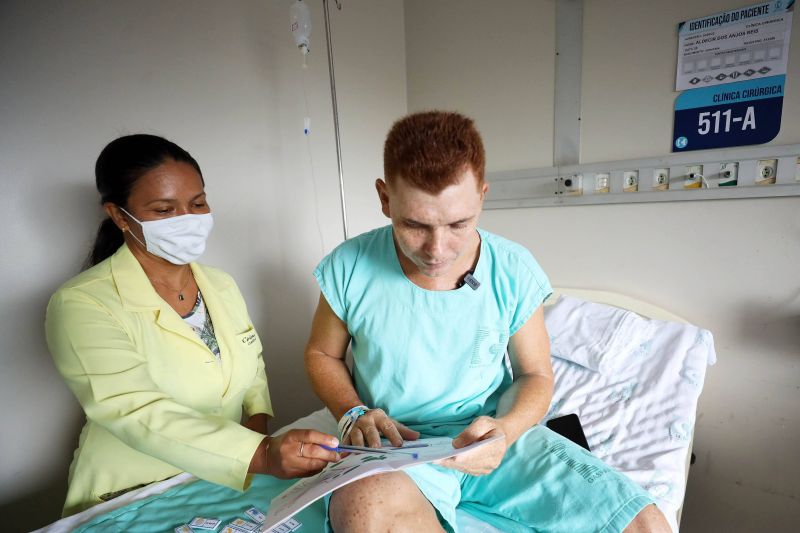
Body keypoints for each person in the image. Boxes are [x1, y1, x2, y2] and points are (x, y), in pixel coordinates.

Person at [304, 111, 671, 532]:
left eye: (458, 224)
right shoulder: (349, 266)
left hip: (493, 435)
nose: (437, 250)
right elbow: (321, 353)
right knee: (366, 513)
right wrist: (352, 412)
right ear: (385, 199)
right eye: (414, 225)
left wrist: (505, 432)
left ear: (481, 196)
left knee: (644, 523)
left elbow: (535, 375)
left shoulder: (514, 269)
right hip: (396, 447)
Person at [46, 134, 340, 517]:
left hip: (218, 480)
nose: (187, 219)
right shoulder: (82, 303)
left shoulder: (219, 284)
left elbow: (252, 367)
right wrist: (259, 454)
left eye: (197, 203)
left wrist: (256, 431)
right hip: (134, 492)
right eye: (164, 210)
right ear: (119, 215)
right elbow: (134, 409)